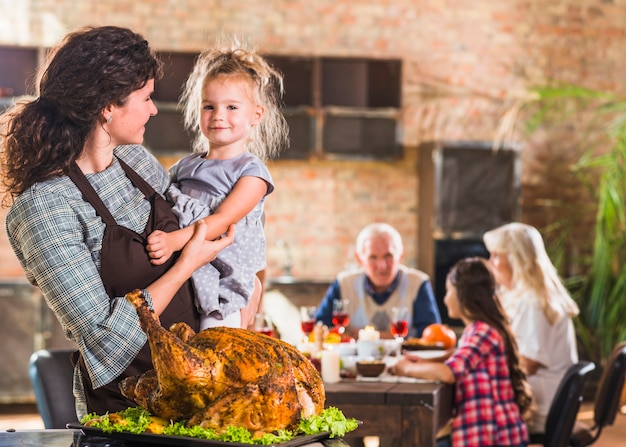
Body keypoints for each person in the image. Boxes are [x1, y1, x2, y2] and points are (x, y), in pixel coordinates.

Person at [0, 26, 260, 419]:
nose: (154, 109)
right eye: (146, 97)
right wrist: (187, 262)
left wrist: (249, 284)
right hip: (132, 414)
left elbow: (207, 223)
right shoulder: (44, 208)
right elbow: (106, 342)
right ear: (107, 107)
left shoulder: (135, 162)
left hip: (204, 393)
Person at [145, 42, 287, 331]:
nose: (218, 115)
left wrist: (173, 241)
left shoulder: (252, 173)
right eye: (209, 106)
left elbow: (222, 221)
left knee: (215, 346)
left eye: (232, 107)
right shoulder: (185, 167)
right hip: (189, 271)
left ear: (255, 116)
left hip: (224, 285)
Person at [389, 257, 532, 447]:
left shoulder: (482, 331)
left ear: (463, 296)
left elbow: (450, 373)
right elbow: (461, 358)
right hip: (485, 433)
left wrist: (403, 369)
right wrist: (424, 363)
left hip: (493, 437)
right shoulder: (478, 330)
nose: (445, 299)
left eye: (449, 292)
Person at [483, 222, 579, 433]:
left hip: (545, 405)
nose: (491, 263)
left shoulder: (533, 302)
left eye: (496, 255)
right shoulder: (523, 296)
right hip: (546, 396)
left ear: (517, 259)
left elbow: (529, 363)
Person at [316, 222, 441, 338]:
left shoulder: (418, 283)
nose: (382, 266)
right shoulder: (343, 284)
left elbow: (432, 336)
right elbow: (320, 327)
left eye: (388, 256)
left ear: (401, 255)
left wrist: (375, 335)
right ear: (360, 259)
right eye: (373, 257)